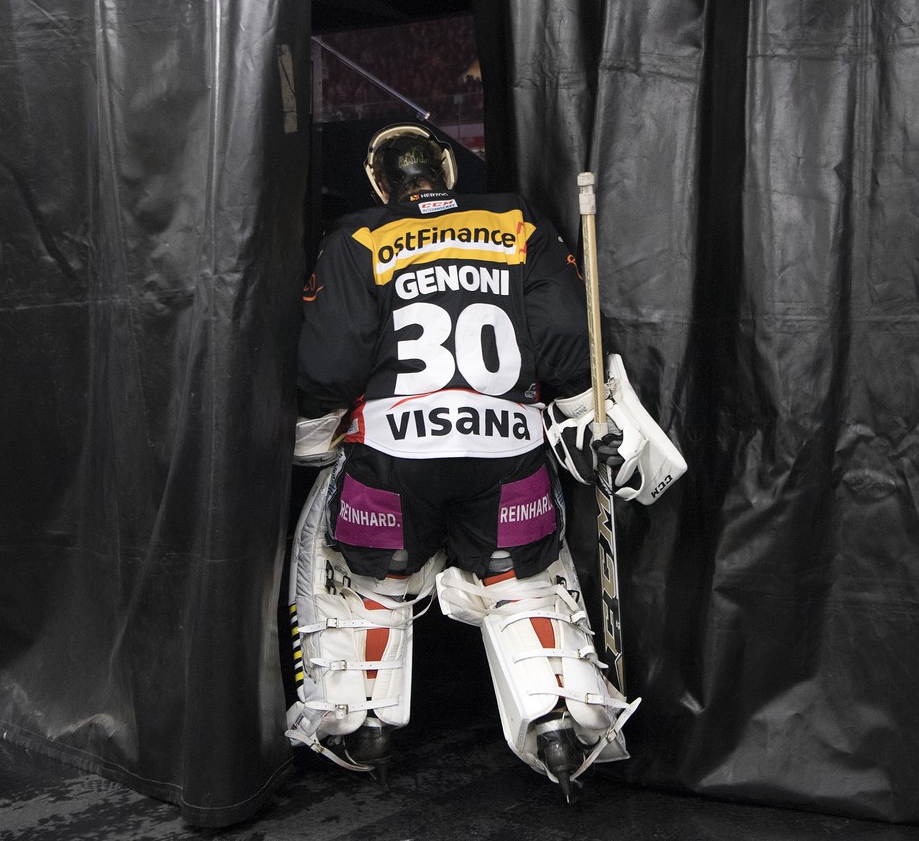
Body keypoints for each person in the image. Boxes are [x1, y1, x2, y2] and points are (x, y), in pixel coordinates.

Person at [285, 123, 684, 801]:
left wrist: (315, 433)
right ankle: (559, 715)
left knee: (363, 566)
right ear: (448, 169)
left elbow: (329, 365)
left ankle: (360, 717)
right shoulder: (518, 221)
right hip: (507, 463)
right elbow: (565, 346)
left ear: (379, 183)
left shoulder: (356, 235)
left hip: (391, 468)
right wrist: (596, 420)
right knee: (521, 576)